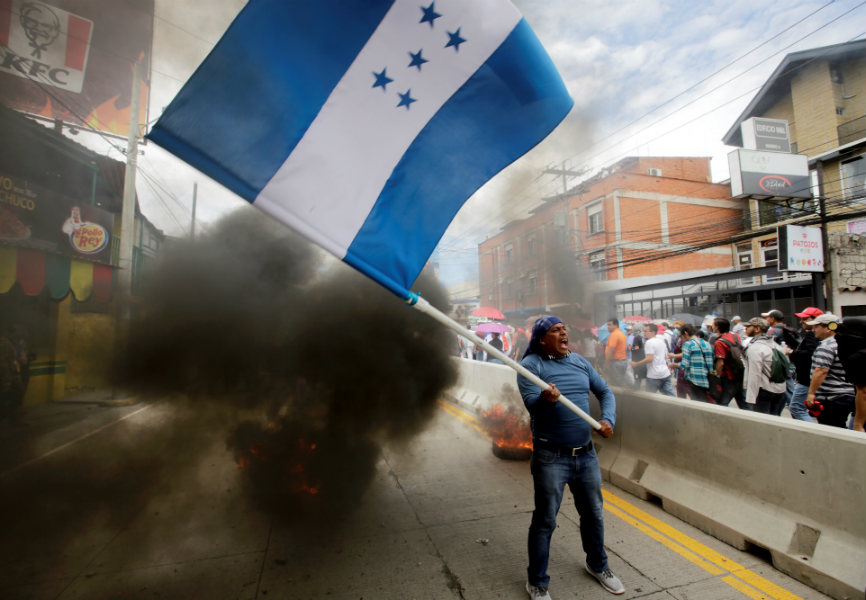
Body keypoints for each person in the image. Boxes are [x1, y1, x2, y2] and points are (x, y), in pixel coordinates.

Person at [517, 316, 624, 599]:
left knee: (593, 515)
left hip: (586, 456)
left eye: (564, 328)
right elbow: (533, 407)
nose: (564, 332)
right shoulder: (531, 367)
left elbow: (604, 391)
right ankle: (537, 582)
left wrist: (608, 419)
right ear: (542, 339)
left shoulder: (579, 362)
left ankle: (598, 565)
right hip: (550, 458)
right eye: (556, 330)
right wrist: (545, 399)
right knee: (545, 521)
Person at [805, 314, 856, 428]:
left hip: (832, 397)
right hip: (849, 394)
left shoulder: (826, 346)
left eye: (816, 326)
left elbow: (821, 371)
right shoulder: (846, 343)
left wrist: (811, 393)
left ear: (828, 328)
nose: (813, 330)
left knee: (833, 430)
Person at [742, 318, 787, 414]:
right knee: (774, 422)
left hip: (764, 390)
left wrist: (751, 397)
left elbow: (754, 374)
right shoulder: (776, 346)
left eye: (748, 326)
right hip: (780, 390)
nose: (745, 329)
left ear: (757, 329)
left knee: (762, 424)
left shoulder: (755, 348)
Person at [788, 307, 824, 422]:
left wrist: (792, 353)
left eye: (805, 318)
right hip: (810, 378)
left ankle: (814, 434)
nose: (801, 321)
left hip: (807, 379)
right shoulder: (815, 335)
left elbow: (811, 354)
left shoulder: (812, 335)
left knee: (796, 408)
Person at [761, 308, 797, 415]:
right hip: (791, 364)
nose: (767, 320)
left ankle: (797, 414)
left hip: (779, 366)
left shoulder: (772, 331)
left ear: (772, 319)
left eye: (768, 318)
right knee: (788, 391)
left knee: (787, 393)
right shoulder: (790, 329)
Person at [711, 317, 750, 410]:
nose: (712, 326)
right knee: (743, 402)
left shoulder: (719, 342)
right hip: (740, 373)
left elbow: (720, 362)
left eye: (713, 325)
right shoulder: (735, 335)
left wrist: (715, 373)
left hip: (729, 376)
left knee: (722, 403)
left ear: (717, 327)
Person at [669, 324, 713, 401]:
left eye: (681, 336)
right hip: (708, 379)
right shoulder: (707, 344)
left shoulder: (688, 344)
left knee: (698, 404)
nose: (681, 338)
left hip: (695, 380)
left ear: (686, 333)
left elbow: (684, 365)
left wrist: (673, 364)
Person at [632, 323, 674, 396]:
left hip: (654, 375)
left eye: (646, 331)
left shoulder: (649, 342)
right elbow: (666, 356)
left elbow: (649, 359)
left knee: (650, 398)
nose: (644, 333)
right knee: (670, 396)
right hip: (665, 373)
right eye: (644, 331)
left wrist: (636, 363)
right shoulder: (661, 341)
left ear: (653, 332)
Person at [603, 319, 627, 387]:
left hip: (615, 363)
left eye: (610, 325)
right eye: (608, 325)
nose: (608, 327)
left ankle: (619, 397)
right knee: (619, 382)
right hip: (622, 361)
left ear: (615, 325)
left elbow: (611, 350)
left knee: (615, 384)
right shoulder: (621, 334)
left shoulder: (614, 334)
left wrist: (606, 364)